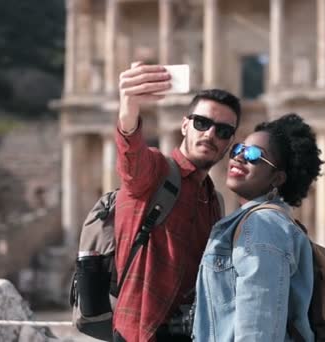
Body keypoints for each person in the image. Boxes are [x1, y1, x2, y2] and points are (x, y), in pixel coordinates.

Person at [113, 62, 242, 342]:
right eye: (202, 123)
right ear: (185, 125)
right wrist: (128, 110)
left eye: (222, 131)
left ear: (230, 142)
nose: (210, 134)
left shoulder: (212, 200)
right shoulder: (155, 172)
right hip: (140, 331)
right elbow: (131, 156)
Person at [192, 113, 324, 342]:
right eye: (238, 149)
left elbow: (258, 331)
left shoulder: (262, 226)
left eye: (254, 155)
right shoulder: (263, 222)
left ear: (277, 178)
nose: (240, 157)